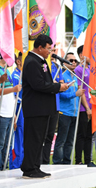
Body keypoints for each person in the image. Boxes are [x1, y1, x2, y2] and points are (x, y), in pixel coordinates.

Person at [21, 34, 68, 178]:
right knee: (33, 139)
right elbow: (38, 84)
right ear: (40, 47)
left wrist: (56, 86)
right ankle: (29, 168)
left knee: (39, 139)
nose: (50, 52)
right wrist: (57, 87)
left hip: (42, 107)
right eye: (48, 48)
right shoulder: (31, 62)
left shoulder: (40, 61)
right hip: (35, 108)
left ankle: (35, 166)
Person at [53, 53, 84, 164]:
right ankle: (57, 161)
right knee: (62, 139)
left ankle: (66, 161)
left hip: (74, 113)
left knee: (70, 140)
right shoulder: (62, 75)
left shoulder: (75, 76)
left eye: (75, 60)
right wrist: (75, 94)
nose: (74, 62)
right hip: (64, 112)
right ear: (64, 62)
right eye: (71, 60)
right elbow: (60, 94)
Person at [0, 58, 21, 171]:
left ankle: (4, 166)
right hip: (1, 112)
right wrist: (14, 89)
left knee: (8, 144)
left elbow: (12, 96)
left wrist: (14, 114)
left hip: (9, 112)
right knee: (0, 143)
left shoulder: (6, 70)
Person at [41, 45, 63, 165]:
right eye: (51, 50)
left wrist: (59, 85)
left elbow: (61, 83)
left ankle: (45, 161)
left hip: (56, 104)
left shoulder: (57, 66)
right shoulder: (43, 65)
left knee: (50, 134)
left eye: (54, 50)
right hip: (44, 104)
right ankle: (38, 160)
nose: (52, 53)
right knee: (42, 134)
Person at [75, 45, 94, 166]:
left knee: (89, 135)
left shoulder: (91, 69)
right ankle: (79, 160)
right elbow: (80, 89)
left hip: (93, 106)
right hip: (83, 107)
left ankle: (88, 160)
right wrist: (86, 108)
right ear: (81, 55)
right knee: (81, 135)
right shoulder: (79, 69)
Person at [10, 53, 24, 169]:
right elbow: (14, 96)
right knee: (18, 134)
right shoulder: (15, 76)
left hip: (25, 107)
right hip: (18, 107)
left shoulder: (23, 75)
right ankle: (16, 162)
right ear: (18, 62)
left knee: (23, 134)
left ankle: (22, 160)